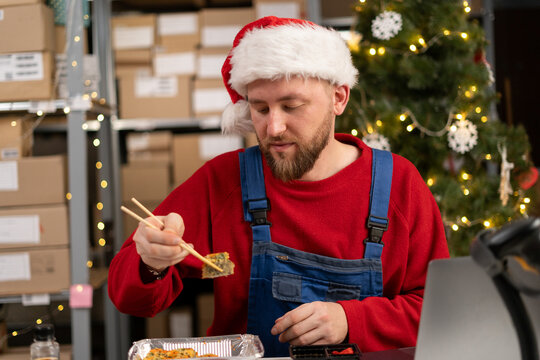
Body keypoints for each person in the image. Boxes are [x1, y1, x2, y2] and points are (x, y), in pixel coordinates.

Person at [108, 16, 449, 356]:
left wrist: (351, 320)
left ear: (339, 98)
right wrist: (150, 261)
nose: (273, 128)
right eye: (260, 109)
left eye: (291, 106)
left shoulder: (398, 186)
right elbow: (129, 298)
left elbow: (440, 313)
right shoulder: (224, 181)